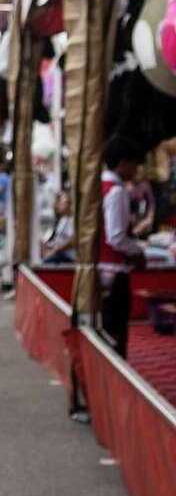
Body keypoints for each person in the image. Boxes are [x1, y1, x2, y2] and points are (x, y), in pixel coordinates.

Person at [99, 137, 147, 358]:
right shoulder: (116, 191)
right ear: (123, 163)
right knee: (115, 329)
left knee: (109, 328)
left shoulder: (101, 185)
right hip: (115, 270)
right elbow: (116, 236)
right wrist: (138, 251)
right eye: (135, 163)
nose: (137, 169)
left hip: (103, 268)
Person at [41, 191, 76, 263]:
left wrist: (53, 251)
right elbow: (51, 238)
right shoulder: (61, 219)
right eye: (59, 203)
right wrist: (46, 246)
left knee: (46, 261)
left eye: (63, 203)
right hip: (58, 252)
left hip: (68, 255)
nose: (59, 205)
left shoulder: (73, 220)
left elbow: (71, 241)